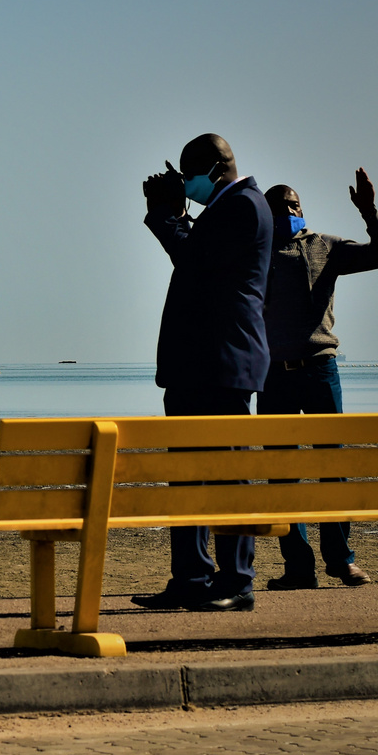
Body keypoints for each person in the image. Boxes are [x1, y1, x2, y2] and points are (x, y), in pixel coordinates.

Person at [131, 133, 273, 613]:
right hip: (203, 364)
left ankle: (236, 580)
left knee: (228, 473)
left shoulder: (245, 206)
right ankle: (192, 576)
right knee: (188, 474)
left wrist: (164, 216)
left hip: (221, 363)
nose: (188, 184)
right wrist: (176, 215)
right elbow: (201, 258)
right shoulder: (233, 207)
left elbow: (193, 261)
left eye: (190, 174)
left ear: (215, 167)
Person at [260, 170, 378, 589]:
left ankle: (342, 561)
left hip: (320, 370)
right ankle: (298, 567)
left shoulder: (327, 247)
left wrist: (369, 212)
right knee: (282, 473)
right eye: (279, 206)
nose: (288, 210)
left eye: (294, 204)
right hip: (273, 376)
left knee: (332, 469)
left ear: (304, 209)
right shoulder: (254, 252)